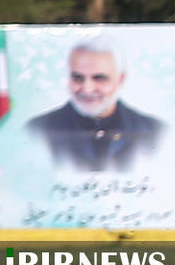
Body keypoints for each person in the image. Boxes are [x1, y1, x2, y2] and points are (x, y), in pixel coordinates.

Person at [27, 39, 165, 172]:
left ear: (120, 79)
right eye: (78, 78)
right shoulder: (36, 130)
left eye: (99, 78)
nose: (87, 89)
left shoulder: (154, 131)